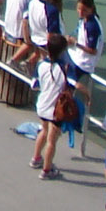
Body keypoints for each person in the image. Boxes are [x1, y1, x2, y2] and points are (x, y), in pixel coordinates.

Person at [32, 34, 73, 180]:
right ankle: (46, 170)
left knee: (43, 131)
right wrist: (86, 93)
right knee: (52, 140)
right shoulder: (64, 68)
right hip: (55, 110)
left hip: (42, 105)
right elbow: (72, 86)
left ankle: (36, 158)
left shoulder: (40, 64)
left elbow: (34, 85)